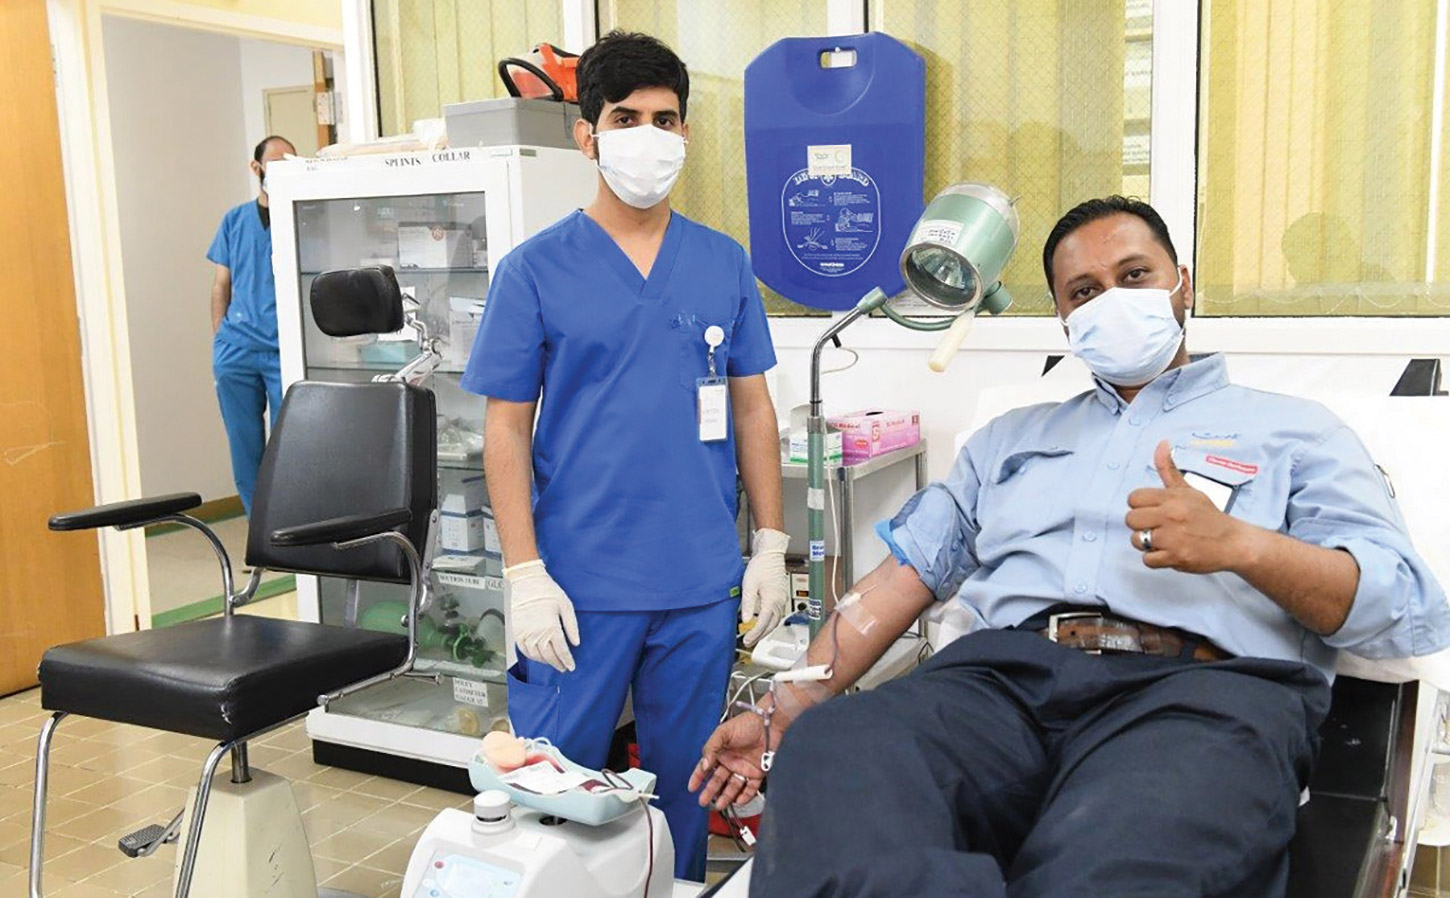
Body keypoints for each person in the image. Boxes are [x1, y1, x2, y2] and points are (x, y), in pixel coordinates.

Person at [691, 196, 1450, 897]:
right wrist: (786, 705)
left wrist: (1243, 546)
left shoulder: (1296, 431)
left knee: (1115, 867)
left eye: (1134, 275)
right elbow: (901, 578)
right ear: (1064, 321)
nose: (1111, 299)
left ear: (1182, 284)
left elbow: (1404, 612)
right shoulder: (1011, 440)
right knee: (837, 749)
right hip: (1000, 684)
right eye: (1084, 291)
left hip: (1199, 697)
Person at [459, 31, 789, 882]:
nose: (649, 136)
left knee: (687, 786)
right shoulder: (534, 270)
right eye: (626, 118)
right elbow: (505, 431)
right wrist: (524, 574)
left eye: (666, 119)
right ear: (587, 135)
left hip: (697, 581)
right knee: (551, 789)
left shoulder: (722, 263)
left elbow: (753, 407)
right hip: (579, 584)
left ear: (686, 132)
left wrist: (771, 545)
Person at [207, 134, 294, 516]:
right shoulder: (235, 220)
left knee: (289, 445)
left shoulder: (298, 217)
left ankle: (285, 525)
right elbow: (220, 286)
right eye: (274, 164)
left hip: (283, 350)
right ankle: (258, 527)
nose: (280, 171)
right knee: (244, 446)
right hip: (236, 350)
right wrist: (219, 341)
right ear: (255, 167)